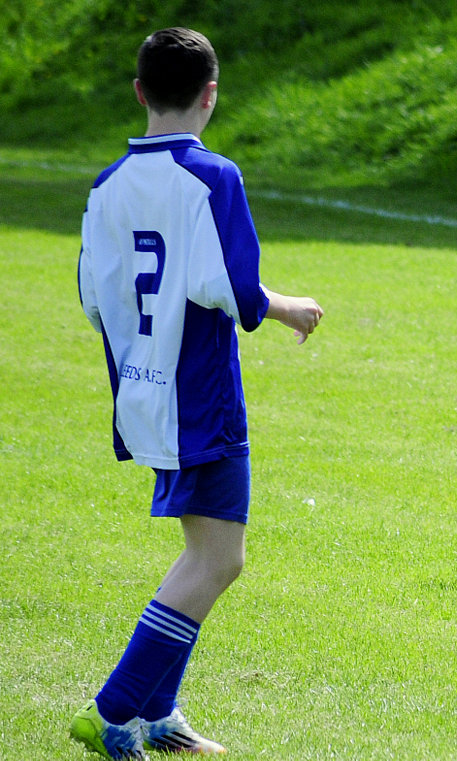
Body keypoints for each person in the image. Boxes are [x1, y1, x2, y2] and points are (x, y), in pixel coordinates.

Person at [72, 27, 324, 758]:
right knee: (219, 559)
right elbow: (232, 289)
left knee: (201, 553)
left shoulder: (107, 184)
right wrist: (287, 306)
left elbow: (94, 295)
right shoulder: (213, 176)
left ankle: (158, 712)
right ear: (212, 94)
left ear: (139, 92)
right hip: (201, 391)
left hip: (141, 387)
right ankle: (112, 709)